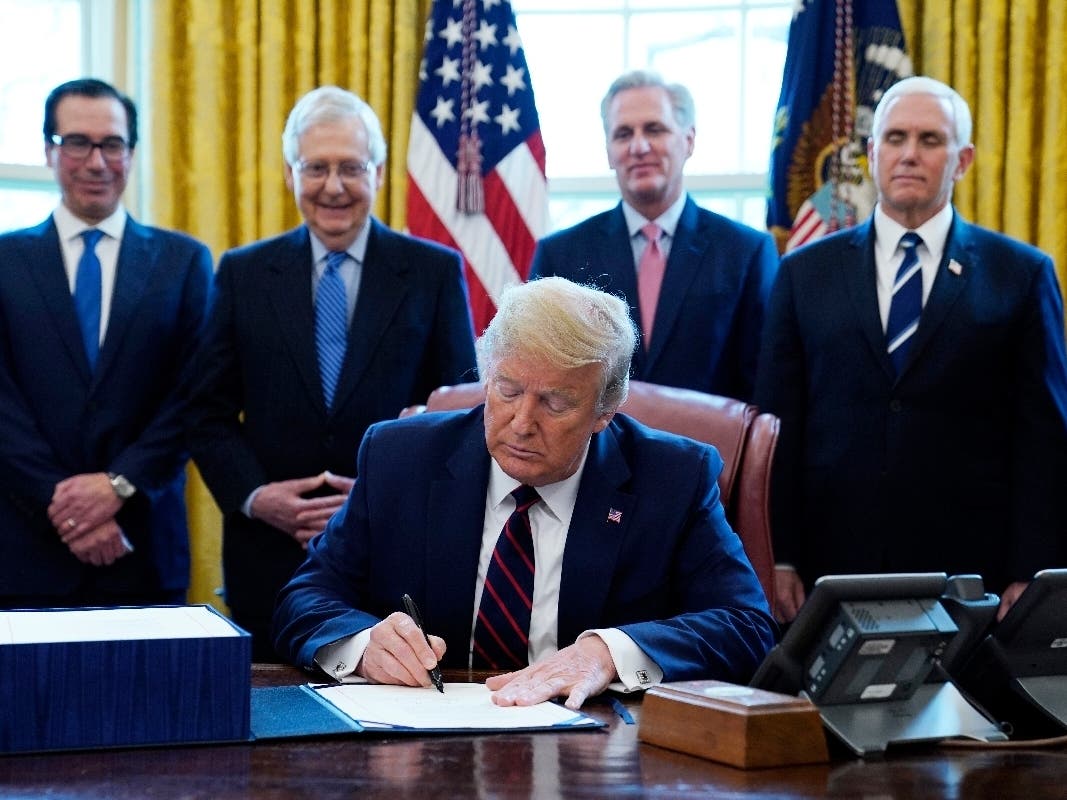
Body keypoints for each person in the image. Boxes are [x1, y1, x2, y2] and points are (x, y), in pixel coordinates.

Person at [272, 276, 776, 710]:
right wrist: (362, 644)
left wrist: (610, 652)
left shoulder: (672, 477)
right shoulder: (399, 458)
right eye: (507, 391)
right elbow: (307, 596)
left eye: (555, 404)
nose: (521, 423)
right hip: (426, 742)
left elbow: (747, 624)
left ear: (605, 411)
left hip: (597, 755)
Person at [755, 76, 1067, 623]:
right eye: (895, 138)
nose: (909, 154)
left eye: (930, 140)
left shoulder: (1020, 274)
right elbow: (779, 426)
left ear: (962, 159)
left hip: (972, 572)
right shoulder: (804, 273)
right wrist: (779, 555)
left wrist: (1032, 569)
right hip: (830, 565)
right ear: (873, 153)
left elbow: (1043, 436)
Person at [185, 86, 478, 661]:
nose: (333, 186)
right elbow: (204, 410)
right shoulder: (243, 273)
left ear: (379, 172)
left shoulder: (433, 272)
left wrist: (382, 490)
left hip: (396, 555)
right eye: (315, 167)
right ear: (290, 172)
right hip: (267, 556)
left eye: (351, 167)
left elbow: (461, 412)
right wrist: (254, 496)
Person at [0, 78, 213, 608]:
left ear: (131, 153)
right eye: (77, 142)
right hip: (26, 550)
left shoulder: (183, 262)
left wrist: (116, 486)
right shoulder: (5, 261)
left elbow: (193, 396)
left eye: (112, 144)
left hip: (143, 548)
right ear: (49, 150)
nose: (96, 161)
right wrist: (67, 507)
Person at [528, 70, 778, 402]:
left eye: (654, 129)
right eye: (623, 134)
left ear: (688, 141)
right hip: (597, 449)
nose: (639, 146)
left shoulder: (746, 253)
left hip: (711, 448)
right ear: (608, 152)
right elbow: (541, 373)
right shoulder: (560, 255)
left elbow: (764, 384)